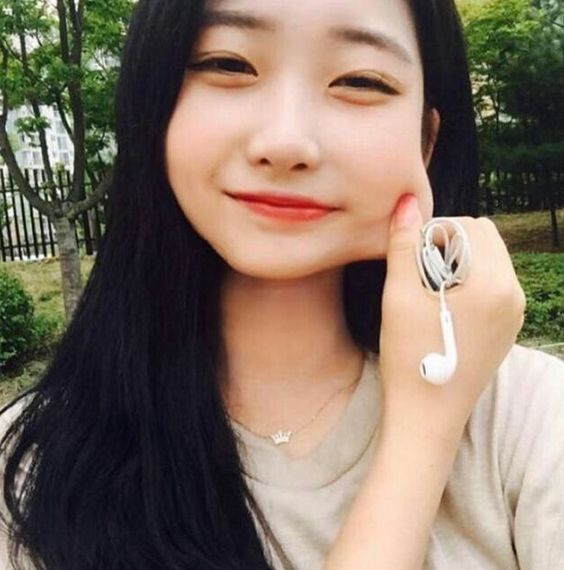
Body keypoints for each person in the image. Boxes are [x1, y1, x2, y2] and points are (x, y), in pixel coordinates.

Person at [0, 0, 562, 568]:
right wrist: (421, 435)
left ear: (427, 140)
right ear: (154, 98)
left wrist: (429, 413)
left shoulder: (530, 420)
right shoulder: (31, 469)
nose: (286, 142)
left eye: (360, 80)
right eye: (228, 64)